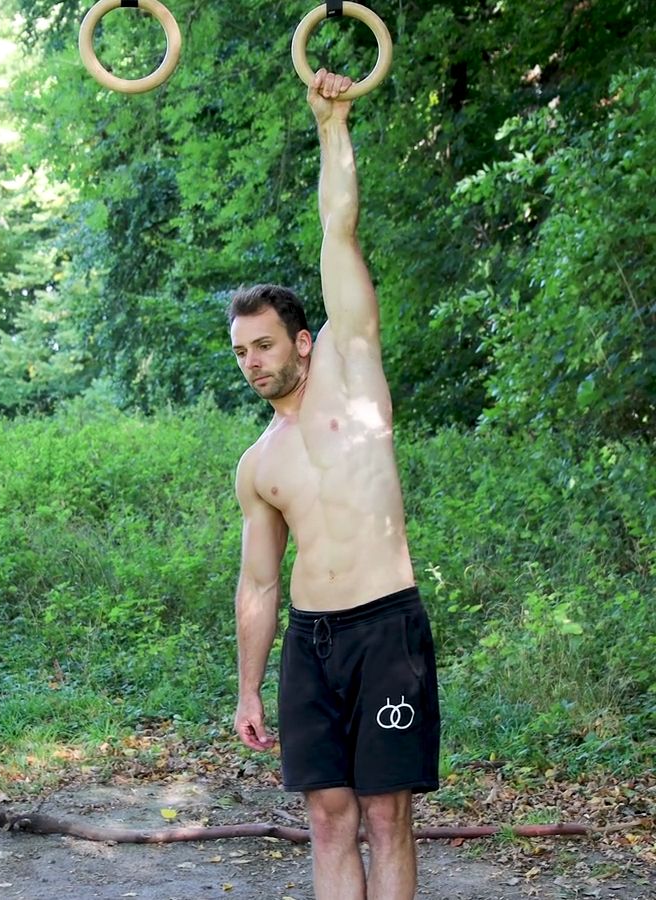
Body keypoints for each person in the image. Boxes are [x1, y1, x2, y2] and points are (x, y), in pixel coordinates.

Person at [228, 69, 440, 900]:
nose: (253, 363)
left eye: (265, 346)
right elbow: (256, 583)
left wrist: (331, 125)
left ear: (304, 341)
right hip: (311, 647)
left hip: (386, 628)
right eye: (241, 351)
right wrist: (248, 684)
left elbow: (337, 229)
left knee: (386, 816)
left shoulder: (354, 372)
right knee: (326, 817)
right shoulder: (258, 463)